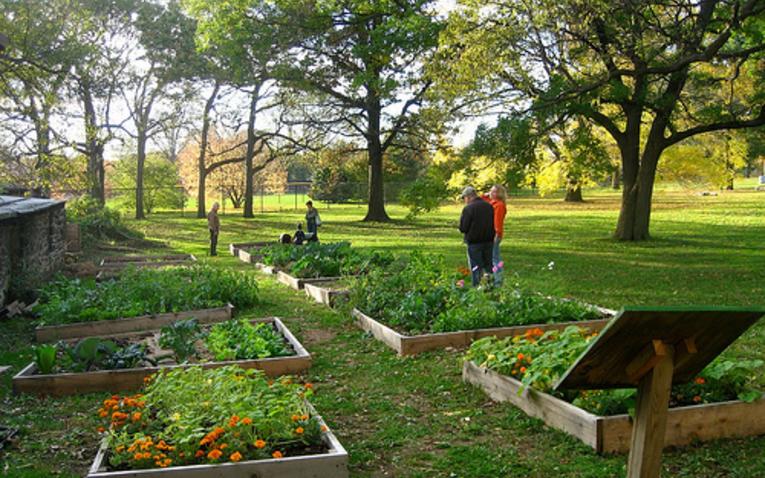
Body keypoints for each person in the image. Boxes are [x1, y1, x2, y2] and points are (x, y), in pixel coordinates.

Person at [458, 186, 495, 287]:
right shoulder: (488, 206)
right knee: (488, 266)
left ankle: (477, 288)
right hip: (488, 241)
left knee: (476, 268)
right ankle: (490, 287)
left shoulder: (469, 208)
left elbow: (463, 227)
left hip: (474, 242)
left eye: (464, 198)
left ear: (468, 197)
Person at [481, 184, 508, 286]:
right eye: (491, 191)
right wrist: (486, 194)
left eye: (494, 192)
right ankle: (491, 280)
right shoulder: (490, 202)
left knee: (495, 258)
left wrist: (496, 234)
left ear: (499, 194)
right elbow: (479, 198)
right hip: (488, 234)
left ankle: (498, 281)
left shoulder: (499, 205)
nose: (492, 193)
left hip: (494, 234)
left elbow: (498, 221)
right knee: (489, 258)